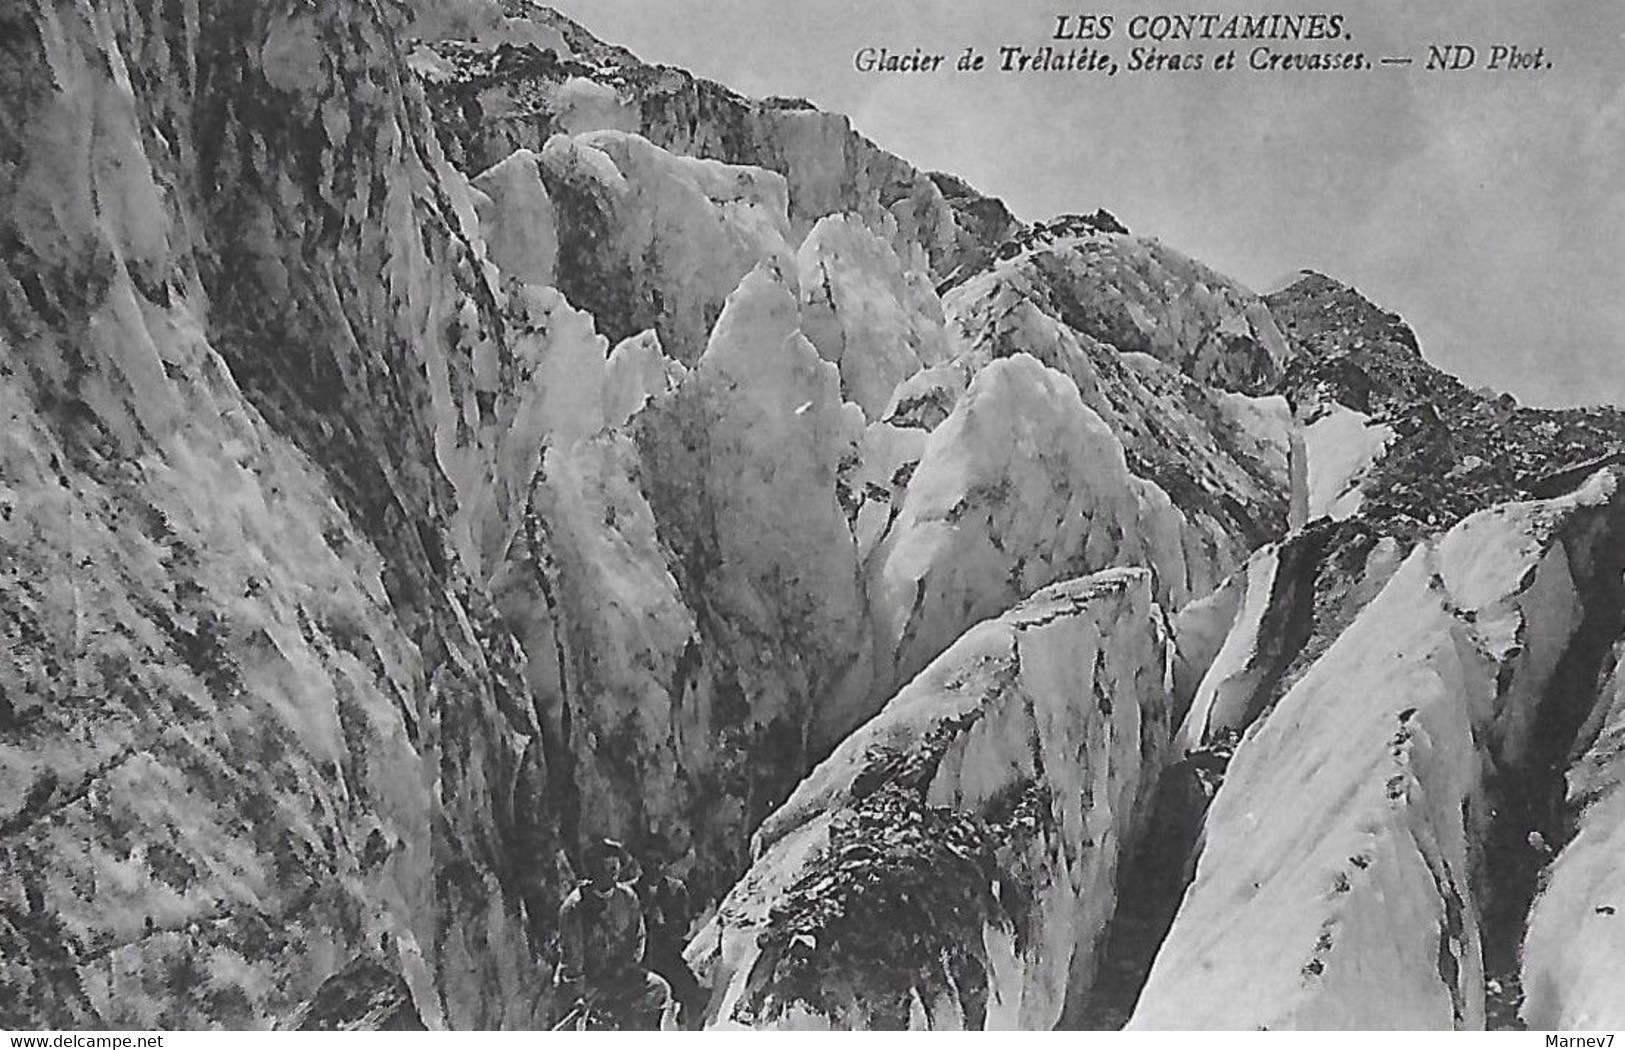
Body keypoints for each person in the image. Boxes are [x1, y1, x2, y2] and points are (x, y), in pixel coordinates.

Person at [553, 839, 675, 1030]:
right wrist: (581, 992)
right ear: (592, 870)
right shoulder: (575, 907)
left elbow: (638, 937)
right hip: (588, 985)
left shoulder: (627, 898)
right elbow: (572, 960)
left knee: (658, 989)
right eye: (602, 868)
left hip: (619, 978)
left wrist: (627, 967)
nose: (608, 874)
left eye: (613, 868)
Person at [632, 840, 706, 1028]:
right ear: (640, 864)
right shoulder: (630, 892)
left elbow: (683, 928)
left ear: (665, 863)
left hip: (667, 956)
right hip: (638, 960)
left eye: (659, 861)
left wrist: (662, 922)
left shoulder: (676, 890)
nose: (654, 867)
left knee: (691, 992)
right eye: (648, 862)